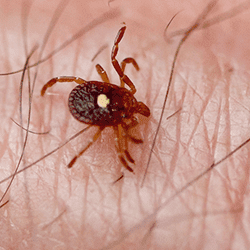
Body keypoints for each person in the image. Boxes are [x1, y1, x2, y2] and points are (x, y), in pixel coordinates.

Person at [0, 0, 249, 248]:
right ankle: (78, 149)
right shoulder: (121, 114)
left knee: (85, 85)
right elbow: (117, 71)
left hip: (91, 102)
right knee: (99, 129)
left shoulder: (123, 102)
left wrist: (128, 136)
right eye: (133, 107)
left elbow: (109, 66)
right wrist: (125, 150)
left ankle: (54, 90)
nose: (137, 106)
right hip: (93, 105)